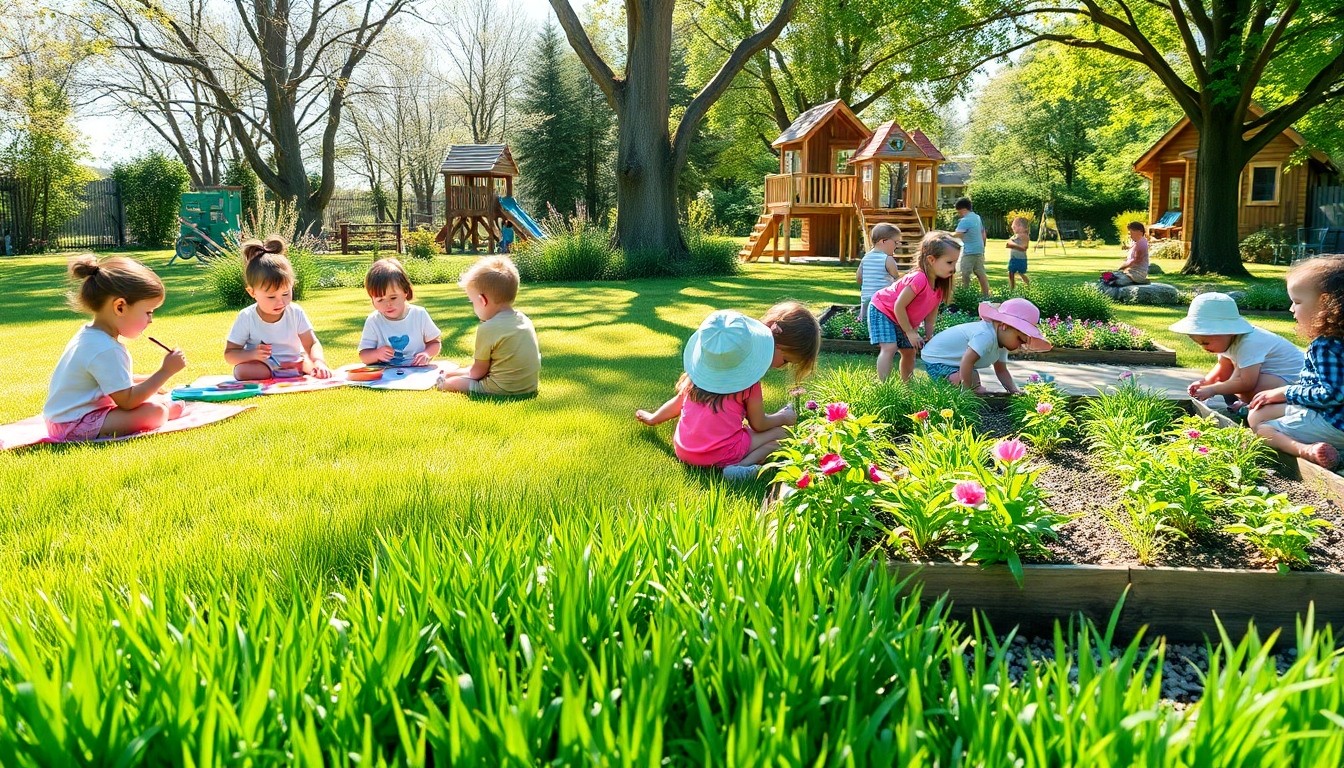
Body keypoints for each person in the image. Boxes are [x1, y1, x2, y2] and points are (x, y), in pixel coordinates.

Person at [636, 302, 820, 482]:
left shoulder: (699, 375)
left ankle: (737, 464)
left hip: (684, 450)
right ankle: (741, 467)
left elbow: (677, 402)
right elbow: (759, 424)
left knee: (748, 434)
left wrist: (653, 418)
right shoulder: (749, 384)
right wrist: (784, 417)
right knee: (783, 434)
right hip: (722, 454)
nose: (782, 366)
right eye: (786, 360)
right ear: (776, 345)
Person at [43, 254, 187, 440]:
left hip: (64, 421)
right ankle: (167, 411)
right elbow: (127, 400)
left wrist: (152, 380)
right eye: (148, 312)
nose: (150, 320)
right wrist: (165, 372)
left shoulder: (90, 336)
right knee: (155, 411)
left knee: (150, 398)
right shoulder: (105, 348)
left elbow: (115, 380)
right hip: (75, 426)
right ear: (120, 307)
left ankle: (164, 407)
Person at [1249, 255, 1344, 469]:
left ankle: (1306, 450)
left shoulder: (1326, 345)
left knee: (1260, 426)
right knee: (1259, 412)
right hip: (1334, 419)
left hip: (1334, 423)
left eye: (1298, 302)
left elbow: (1333, 394)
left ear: (1325, 304)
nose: (1292, 309)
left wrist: (1285, 392)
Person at [1171, 292, 1304, 413]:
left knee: (1254, 385)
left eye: (1205, 342)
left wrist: (1213, 389)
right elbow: (1224, 368)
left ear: (1230, 331)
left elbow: (1247, 383)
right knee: (1233, 380)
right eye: (1199, 343)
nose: (1203, 348)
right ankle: (1249, 404)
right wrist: (1205, 383)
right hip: (1273, 379)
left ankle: (1261, 407)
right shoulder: (1228, 341)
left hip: (1293, 383)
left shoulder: (1249, 343)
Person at [224, 236, 332, 381]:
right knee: (241, 371)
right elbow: (230, 354)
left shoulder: (295, 312)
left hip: (295, 361)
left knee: (310, 365)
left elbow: (311, 343)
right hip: (264, 365)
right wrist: (253, 355)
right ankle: (287, 373)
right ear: (252, 292)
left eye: (286, 293)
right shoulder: (247, 317)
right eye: (271, 297)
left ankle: (296, 369)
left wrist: (319, 361)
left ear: (292, 285)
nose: (280, 302)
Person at [436, 255, 540, 395]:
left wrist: (449, 376)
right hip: (529, 386)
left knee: (455, 382)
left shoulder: (488, 328)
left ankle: (443, 384)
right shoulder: (524, 320)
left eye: (472, 302)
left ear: (482, 300)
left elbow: (477, 372)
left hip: (500, 389)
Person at [867, 231, 959, 383]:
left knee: (909, 352)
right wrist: (910, 332)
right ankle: (884, 388)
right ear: (931, 260)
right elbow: (899, 306)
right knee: (889, 348)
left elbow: (930, 315)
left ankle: (906, 387)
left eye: (955, 262)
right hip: (883, 310)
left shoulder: (939, 287)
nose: (954, 268)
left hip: (902, 318)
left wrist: (929, 335)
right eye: (950, 263)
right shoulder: (918, 279)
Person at [920, 297, 1051, 394]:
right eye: (1019, 339)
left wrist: (1013, 390)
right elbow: (967, 361)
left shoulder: (1001, 342)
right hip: (937, 359)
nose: (1020, 346)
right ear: (1004, 326)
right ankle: (956, 389)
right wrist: (965, 392)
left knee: (973, 381)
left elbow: (1001, 370)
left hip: (954, 361)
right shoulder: (985, 335)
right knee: (964, 382)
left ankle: (974, 389)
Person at [358, 257, 443, 367]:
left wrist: (426, 354)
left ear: (405, 292)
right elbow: (364, 354)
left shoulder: (419, 315)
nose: (388, 304)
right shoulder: (374, 321)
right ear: (372, 300)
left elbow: (435, 342)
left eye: (393, 298)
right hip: (386, 374)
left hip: (417, 371)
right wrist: (376, 354)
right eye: (380, 300)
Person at [856, 223, 902, 318]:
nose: (896, 246)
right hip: (883, 302)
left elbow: (859, 277)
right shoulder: (887, 259)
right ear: (883, 241)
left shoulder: (865, 258)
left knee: (866, 323)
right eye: (896, 242)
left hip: (866, 300)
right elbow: (898, 281)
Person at [953, 197, 988, 299]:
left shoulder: (966, 220)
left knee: (964, 275)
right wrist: (983, 247)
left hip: (969, 252)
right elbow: (983, 233)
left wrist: (942, 234)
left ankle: (964, 296)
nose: (959, 214)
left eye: (959, 212)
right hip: (979, 250)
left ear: (963, 210)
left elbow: (957, 234)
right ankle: (986, 295)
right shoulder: (977, 217)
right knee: (981, 274)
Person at [1106, 222, 1150, 287]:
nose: (1130, 236)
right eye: (1129, 233)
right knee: (1106, 276)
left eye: (1132, 233)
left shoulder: (1141, 244)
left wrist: (1121, 268)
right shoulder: (1139, 242)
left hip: (1135, 275)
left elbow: (1134, 261)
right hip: (1130, 272)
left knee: (1110, 280)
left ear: (1140, 231)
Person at [1007, 216, 1030, 290]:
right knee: (1011, 273)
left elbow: (1024, 247)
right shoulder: (1015, 236)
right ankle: (1012, 288)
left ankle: (1027, 285)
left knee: (1021, 273)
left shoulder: (1024, 236)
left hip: (1020, 259)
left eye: (1016, 226)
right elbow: (1009, 242)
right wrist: (1011, 243)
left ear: (1023, 228)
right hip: (1013, 258)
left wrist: (1012, 245)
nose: (1013, 228)